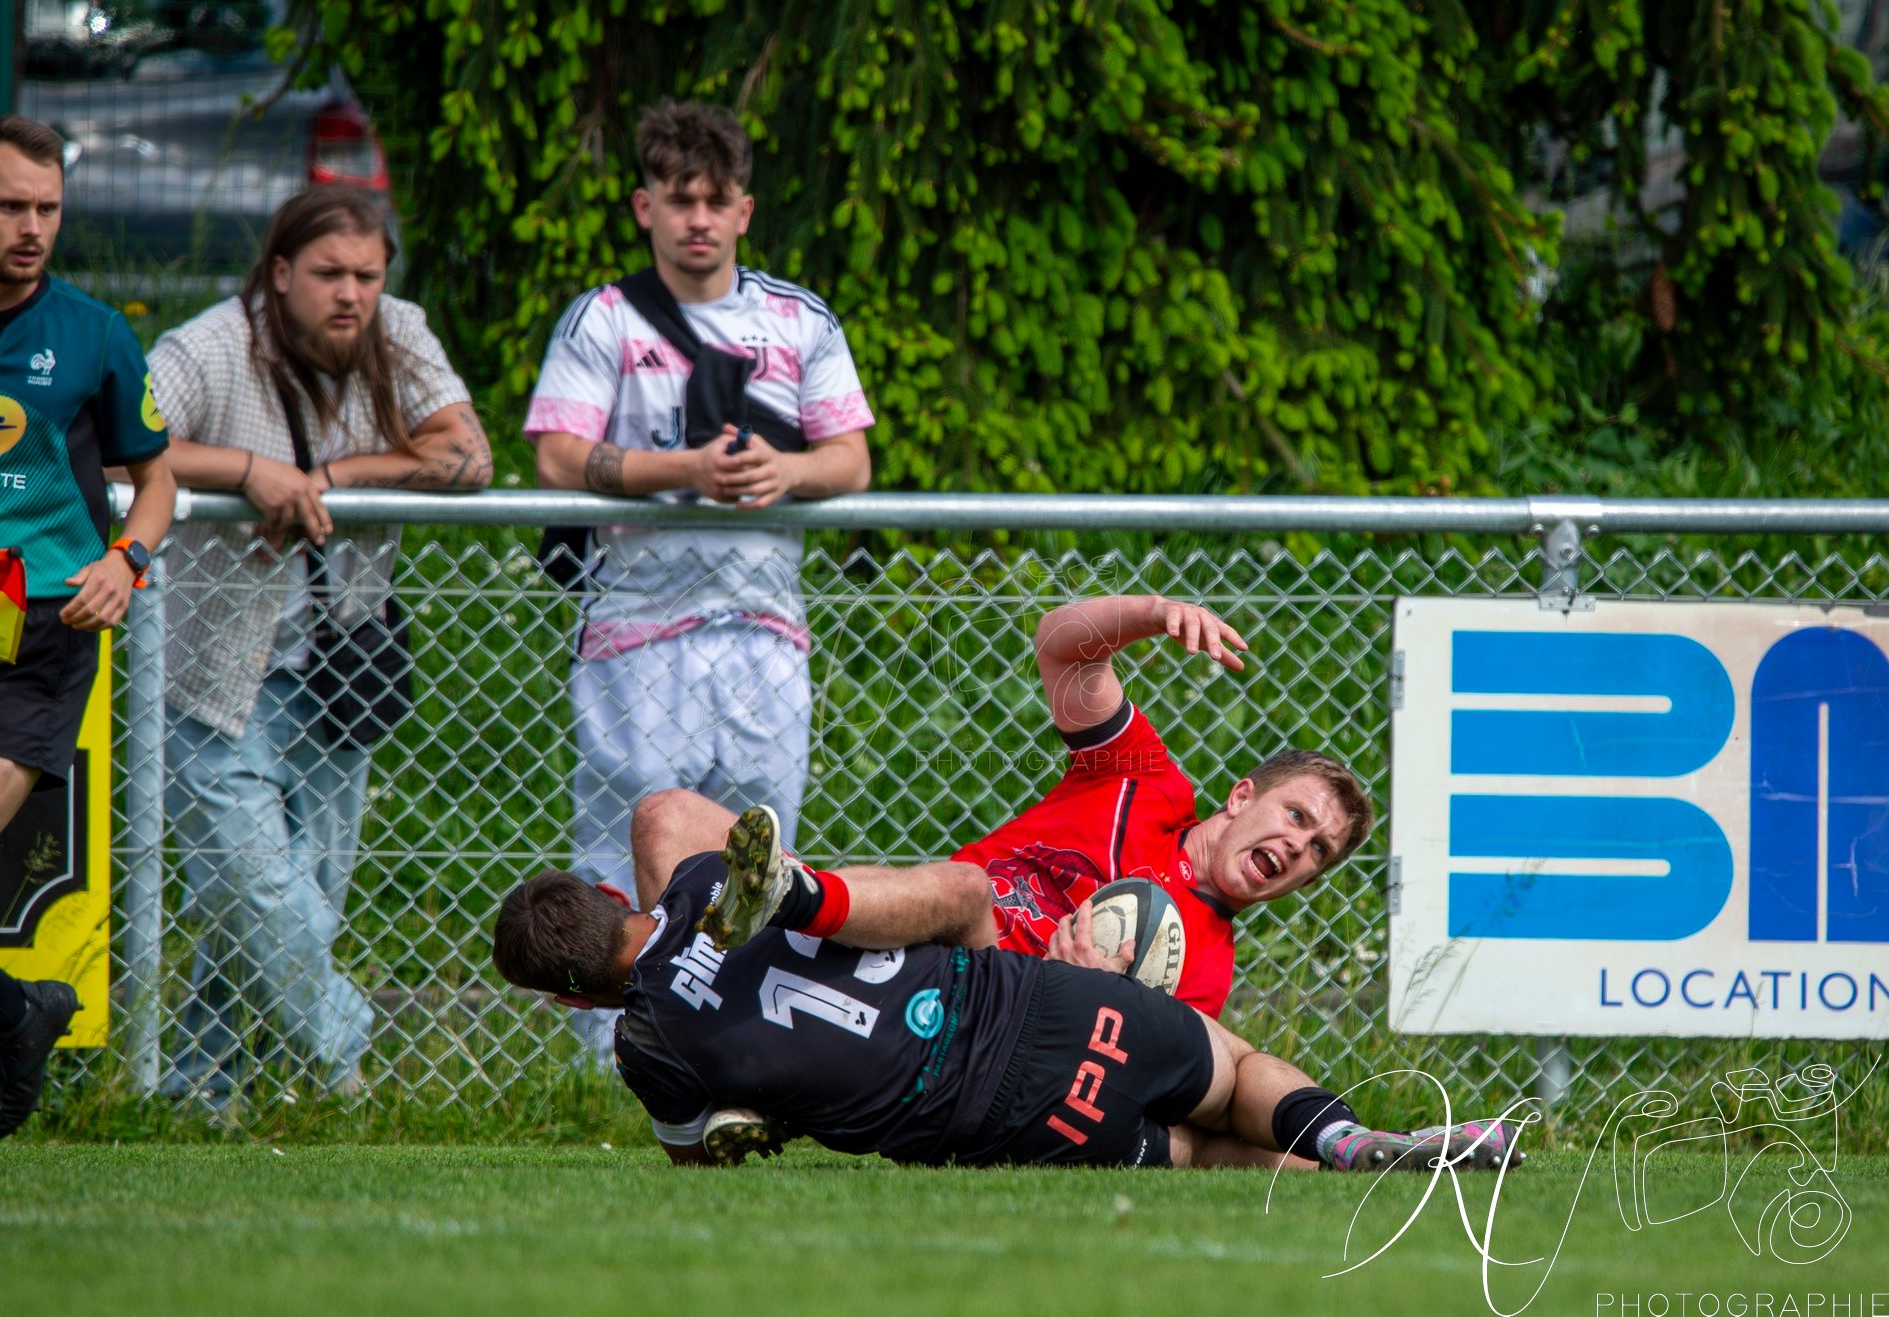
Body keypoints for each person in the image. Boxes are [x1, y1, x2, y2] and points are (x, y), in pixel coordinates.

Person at [524, 99, 872, 1062]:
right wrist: (687, 472)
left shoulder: (797, 320)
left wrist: (783, 472)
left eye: (716, 201)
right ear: (644, 205)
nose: (698, 220)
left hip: (764, 631)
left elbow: (850, 459)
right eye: (679, 200)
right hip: (637, 631)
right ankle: (620, 1066)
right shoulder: (603, 319)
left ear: (746, 210)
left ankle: (744, 1056)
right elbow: (558, 456)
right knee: (621, 849)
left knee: (759, 861)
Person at [491, 854, 1521, 1174]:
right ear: (609, 895)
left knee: (1199, 1160)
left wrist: (732, 1118)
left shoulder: (647, 1044)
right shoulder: (714, 876)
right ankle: (1347, 1139)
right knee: (1237, 1071)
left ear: (573, 997)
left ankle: (1325, 1170)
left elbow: (688, 1159)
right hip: (1040, 1001)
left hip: (996, 1119)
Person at [147, 184, 490, 1107]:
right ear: (280, 272)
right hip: (212, 675)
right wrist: (248, 472)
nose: (351, 294)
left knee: (285, 905)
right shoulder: (207, 348)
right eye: (330, 274)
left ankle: (194, 1093)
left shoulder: (397, 331)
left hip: (340, 672)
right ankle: (350, 1070)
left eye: (367, 276)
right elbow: (110, 445)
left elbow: (468, 454)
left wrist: (332, 476)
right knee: (259, 891)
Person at [637, 592, 1376, 1021]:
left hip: (957, 1017)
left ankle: (737, 937)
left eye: (1319, 851)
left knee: (967, 890)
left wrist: (1085, 994)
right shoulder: (1145, 782)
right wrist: (1155, 612)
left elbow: (1123, 1070)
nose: (1298, 846)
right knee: (666, 816)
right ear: (1241, 794)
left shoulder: (1206, 967)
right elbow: (1061, 647)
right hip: (880, 927)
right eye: (1297, 816)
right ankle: (692, 1038)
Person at [0, 116, 175, 1142]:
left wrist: (128, 561)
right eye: (13, 207)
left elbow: (154, 479)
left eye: (48, 209)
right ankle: (21, 1013)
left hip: (40, 633)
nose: (32, 228)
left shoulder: (98, 334)